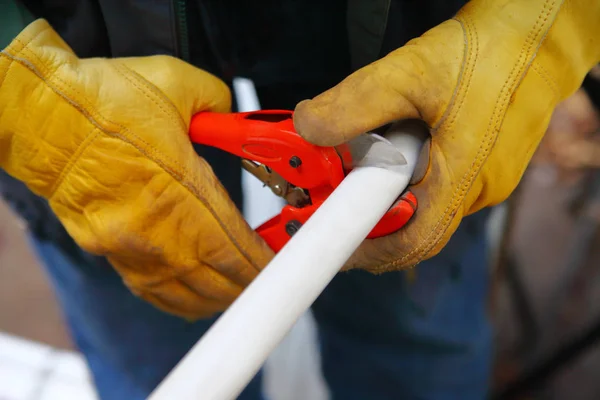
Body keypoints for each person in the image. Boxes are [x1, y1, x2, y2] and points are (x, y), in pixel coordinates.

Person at [0, 1, 598, 399]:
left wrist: (542, 19)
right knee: (154, 337)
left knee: (415, 344)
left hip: (416, 49)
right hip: (72, 46)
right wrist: (24, 98)